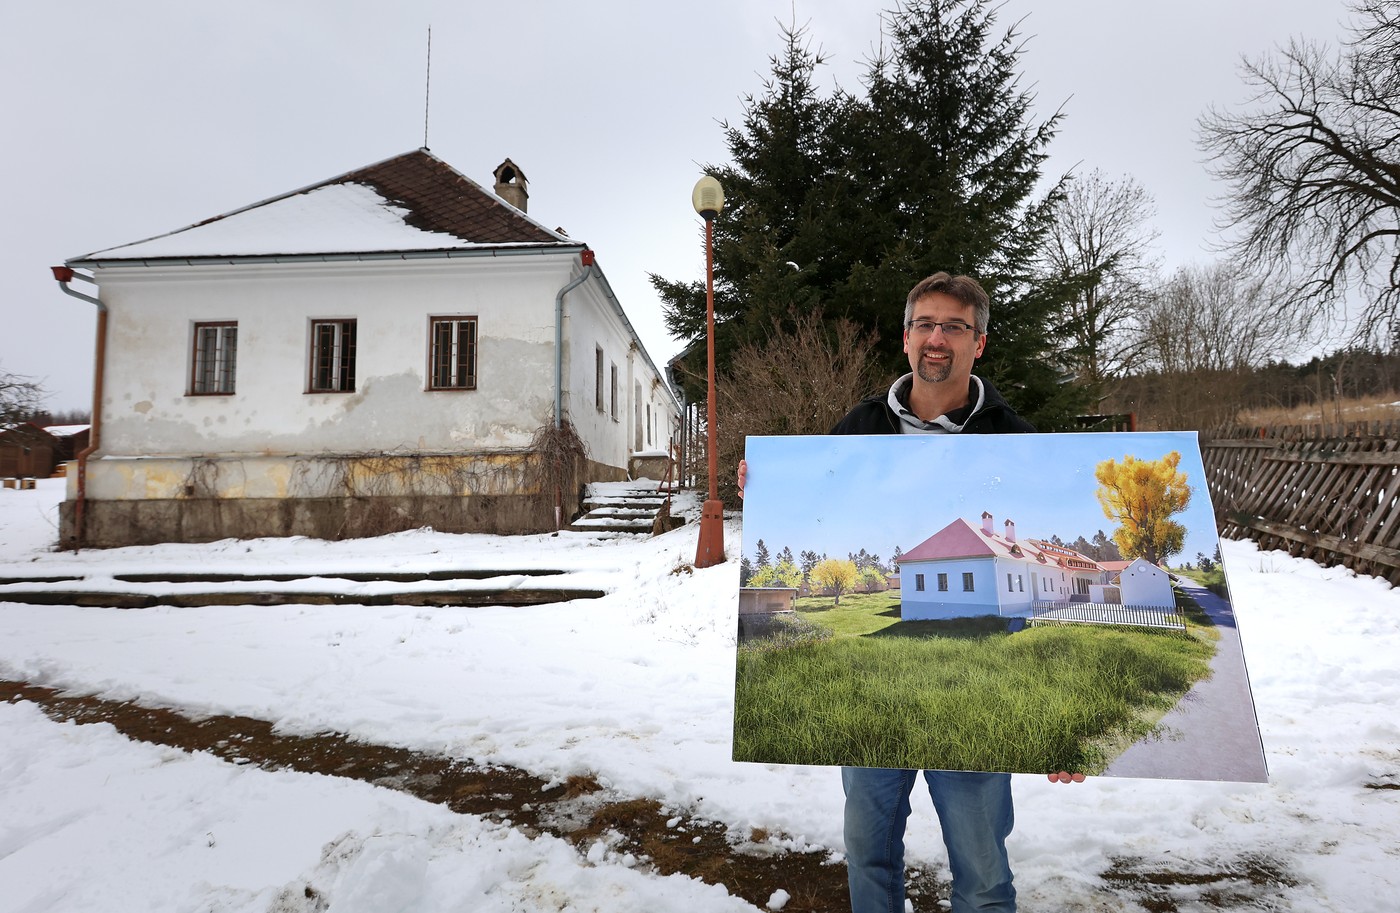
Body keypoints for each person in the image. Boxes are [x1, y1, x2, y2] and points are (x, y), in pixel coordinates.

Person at [737, 272, 1082, 913]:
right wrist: (767, 485)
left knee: (982, 878)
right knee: (869, 858)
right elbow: (814, 507)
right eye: (925, 324)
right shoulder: (859, 426)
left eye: (954, 326)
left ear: (979, 343)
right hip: (871, 703)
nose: (937, 339)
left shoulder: (1021, 440)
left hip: (981, 699)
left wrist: (1062, 732)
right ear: (905, 338)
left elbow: (1036, 552)